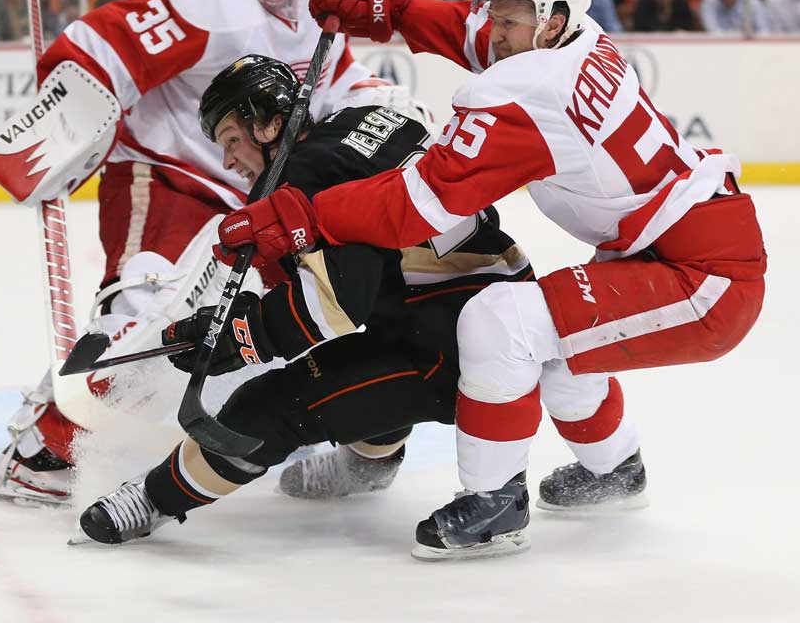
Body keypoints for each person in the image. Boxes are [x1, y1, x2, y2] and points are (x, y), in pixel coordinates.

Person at [217, 0, 767, 560]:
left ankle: (495, 504)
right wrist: (389, 8)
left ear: (551, 18)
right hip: (677, 244)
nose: (495, 32)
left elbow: (418, 205)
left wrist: (302, 216)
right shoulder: (576, 38)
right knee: (559, 342)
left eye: (509, 20)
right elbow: (469, 30)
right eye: (497, 15)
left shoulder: (531, 90)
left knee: (501, 320)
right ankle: (615, 472)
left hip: (704, 279)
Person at [0, 0, 419, 507]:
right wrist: (64, 117)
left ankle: (348, 433)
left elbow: (336, 81)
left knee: (284, 315)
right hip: (169, 173)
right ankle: (46, 451)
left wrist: (388, 108)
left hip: (255, 196)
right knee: (145, 307)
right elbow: (103, 44)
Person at [73, 54, 533, 545]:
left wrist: (234, 337)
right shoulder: (359, 119)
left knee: (273, 405)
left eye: (231, 139)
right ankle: (367, 467)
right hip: (493, 307)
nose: (228, 161)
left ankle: (151, 500)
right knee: (359, 354)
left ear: (271, 122)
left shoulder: (307, 173)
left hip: (458, 346)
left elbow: (334, 304)